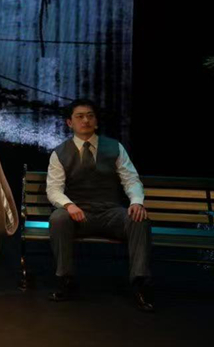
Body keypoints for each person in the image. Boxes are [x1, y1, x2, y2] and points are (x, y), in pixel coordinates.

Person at [46, 99, 154, 312]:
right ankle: (65, 280)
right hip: (79, 214)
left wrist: (136, 202)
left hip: (110, 212)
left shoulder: (114, 147)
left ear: (96, 121)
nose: (85, 120)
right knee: (58, 218)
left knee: (139, 218)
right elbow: (54, 189)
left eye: (90, 116)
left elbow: (130, 179)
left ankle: (139, 283)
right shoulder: (60, 153)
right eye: (79, 116)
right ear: (70, 123)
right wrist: (69, 205)